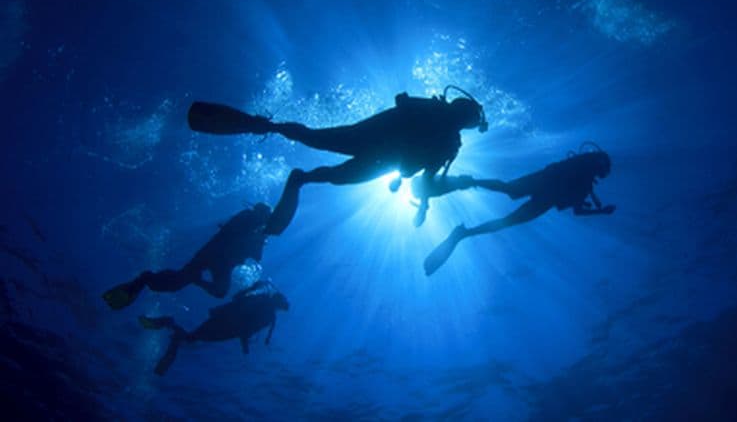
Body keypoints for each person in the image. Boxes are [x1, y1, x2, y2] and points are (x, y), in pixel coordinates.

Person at [187, 85, 489, 231]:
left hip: (380, 155)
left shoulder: (449, 141)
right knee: (319, 143)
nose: (463, 121)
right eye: (467, 117)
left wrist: (422, 205)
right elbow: (426, 176)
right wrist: (422, 205)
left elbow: (427, 177)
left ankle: (296, 170)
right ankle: (266, 127)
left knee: (334, 169)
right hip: (376, 147)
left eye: (467, 119)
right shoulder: (444, 128)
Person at [423, 146, 617, 275]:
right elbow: (578, 211)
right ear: (600, 167)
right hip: (546, 193)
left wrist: (601, 211)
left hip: (543, 184)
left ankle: (469, 184)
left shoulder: (583, 178)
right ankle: (464, 231)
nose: (601, 174)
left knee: (508, 191)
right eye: (603, 171)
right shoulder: (584, 180)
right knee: (508, 214)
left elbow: (576, 209)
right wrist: (601, 211)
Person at [102, 203, 272, 310]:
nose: (263, 219)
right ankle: (145, 279)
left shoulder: (254, 228)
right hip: (212, 255)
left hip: (218, 260)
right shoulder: (247, 221)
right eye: (264, 216)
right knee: (180, 283)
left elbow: (255, 255)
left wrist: (260, 239)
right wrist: (260, 238)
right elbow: (254, 253)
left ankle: (150, 279)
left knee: (216, 291)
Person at [138, 280, 289, 375]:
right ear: (279, 305)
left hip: (221, 320)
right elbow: (248, 329)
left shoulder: (260, 300)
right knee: (191, 339)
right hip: (226, 328)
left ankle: (169, 326)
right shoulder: (268, 315)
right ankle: (169, 325)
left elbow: (237, 301)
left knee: (191, 338)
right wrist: (245, 346)